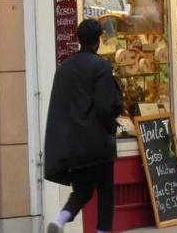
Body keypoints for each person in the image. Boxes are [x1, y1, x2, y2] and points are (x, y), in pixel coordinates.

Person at [44, 18, 124, 233]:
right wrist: (112, 126)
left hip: (74, 144)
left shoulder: (64, 68)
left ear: (79, 40)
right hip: (99, 143)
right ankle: (102, 231)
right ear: (98, 41)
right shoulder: (101, 66)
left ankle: (60, 219)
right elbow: (105, 106)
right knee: (105, 191)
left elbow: (60, 107)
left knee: (82, 190)